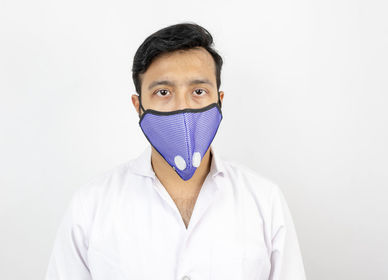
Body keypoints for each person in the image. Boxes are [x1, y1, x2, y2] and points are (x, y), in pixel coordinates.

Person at [44, 22, 306, 280]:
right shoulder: (90, 206)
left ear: (219, 100)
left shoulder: (264, 200)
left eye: (199, 91)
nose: (183, 107)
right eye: (163, 92)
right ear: (138, 105)